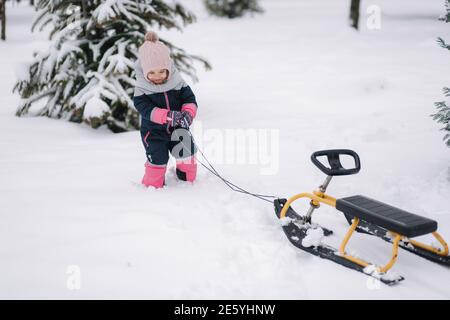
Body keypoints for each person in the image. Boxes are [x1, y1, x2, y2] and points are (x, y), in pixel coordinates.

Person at [133, 31, 198, 188]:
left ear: (169, 68)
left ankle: (187, 183)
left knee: (187, 155)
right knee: (158, 160)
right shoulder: (142, 89)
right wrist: (168, 116)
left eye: (162, 71)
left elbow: (190, 99)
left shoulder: (178, 83)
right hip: (154, 133)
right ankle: (153, 187)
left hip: (179, 128)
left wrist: (188, 114)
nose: (158, 76)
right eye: (152, 73)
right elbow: (145, 109)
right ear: (144, 72)